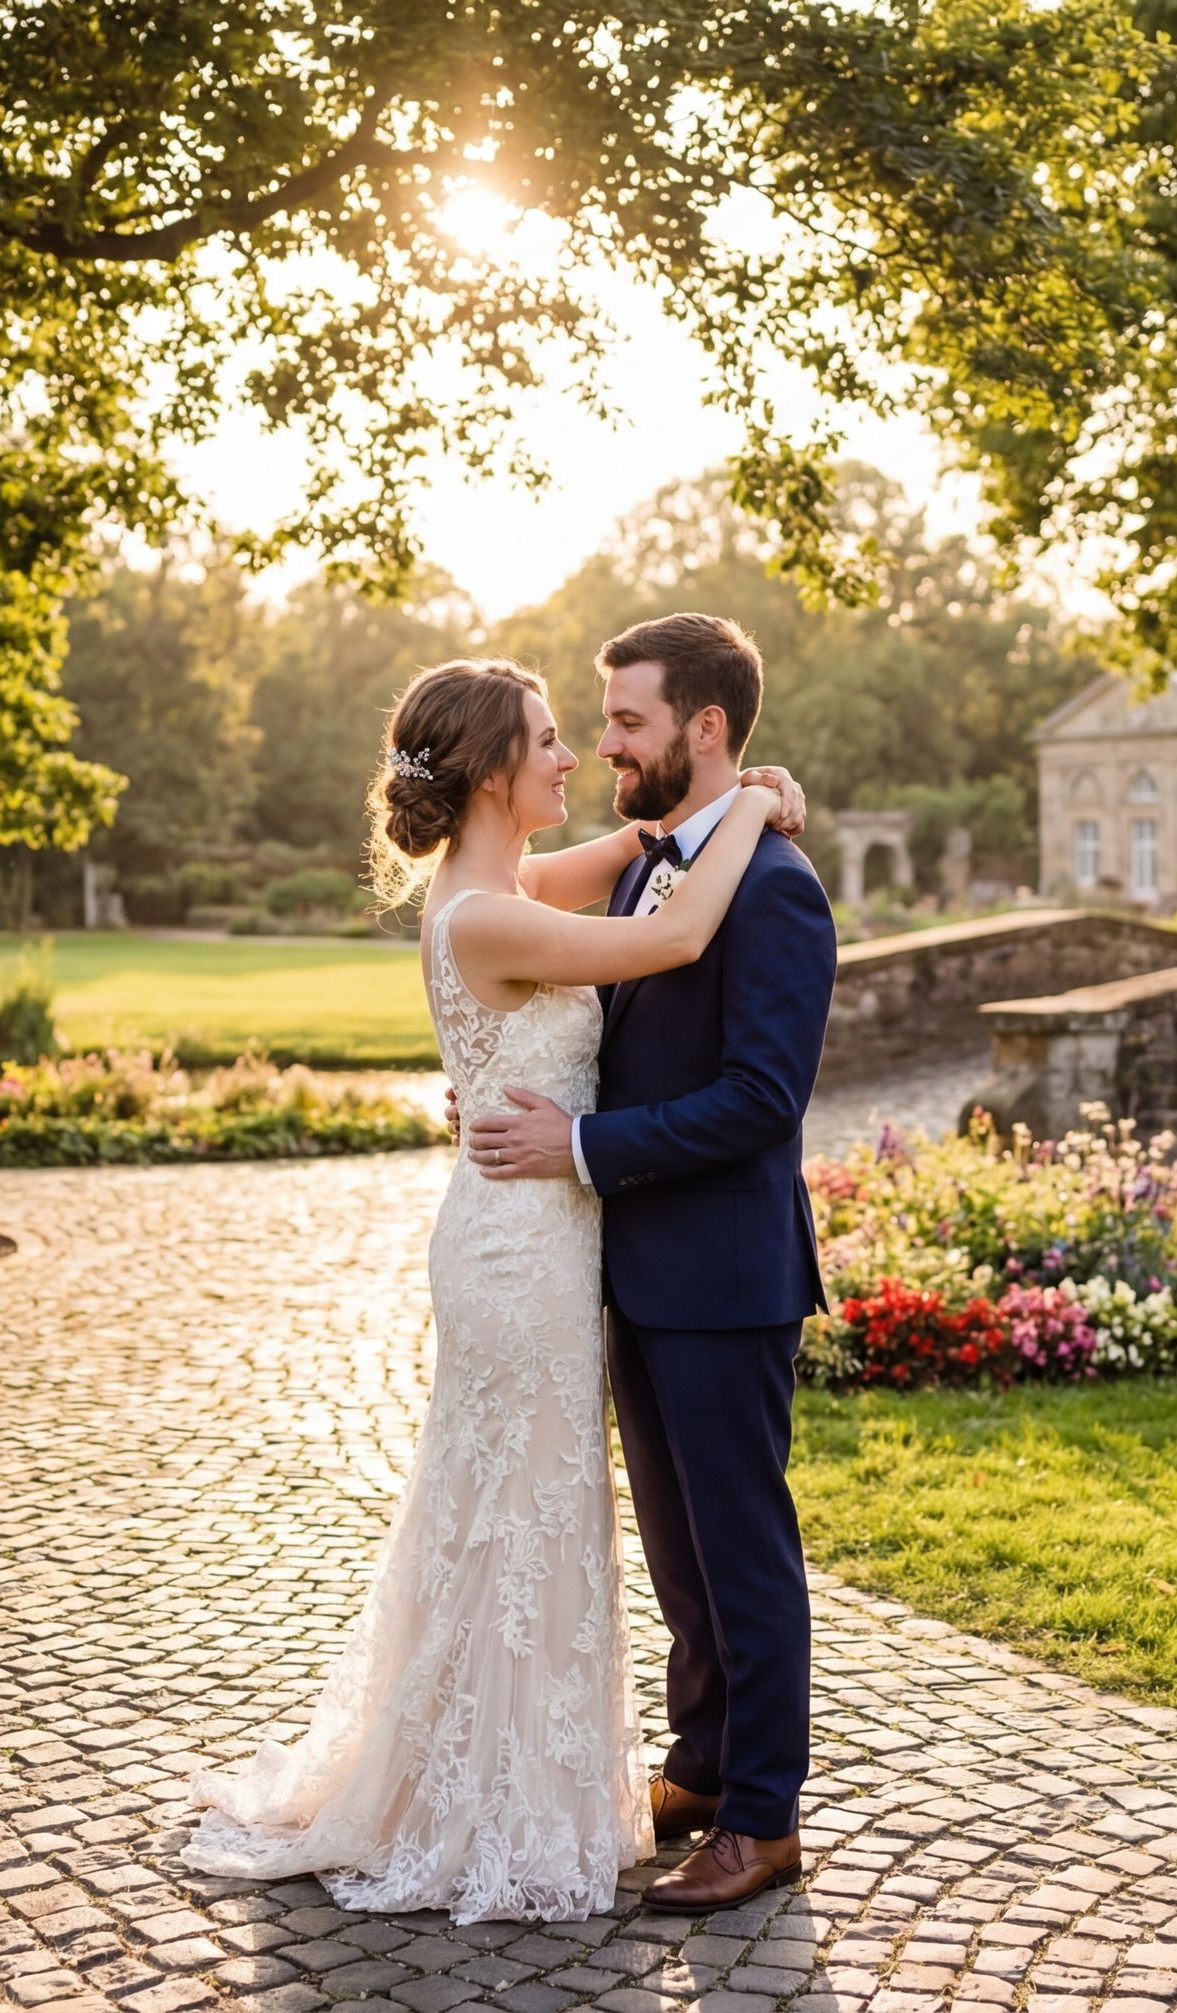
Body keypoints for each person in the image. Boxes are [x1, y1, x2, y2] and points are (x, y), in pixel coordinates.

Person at [182, 652, 808, 1924]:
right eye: (551, 737)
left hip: (562, 1237)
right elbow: (671, 933)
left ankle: (711, 1797)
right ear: (488, 772)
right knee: (526, 1515)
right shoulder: (486, 912)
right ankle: (501, 1785)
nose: (579, 753)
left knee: (558, 1519)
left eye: (602, 726)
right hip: (527, 1253)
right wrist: (748, 803)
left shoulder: (512, 884)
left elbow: (655, 885)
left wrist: (748, 795)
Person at [461, 613, 837, 1912]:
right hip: (635, 1275)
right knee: (680, 1558)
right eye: (602, 724)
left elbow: (758, 1101)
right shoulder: (652, 868)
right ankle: (699, 1762)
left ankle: (763, 1816)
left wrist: (581, 1144)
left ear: (706, 728)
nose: (609, 742)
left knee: (741, 1551)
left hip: (729, 1284)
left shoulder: (776, 889)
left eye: (627, 720)